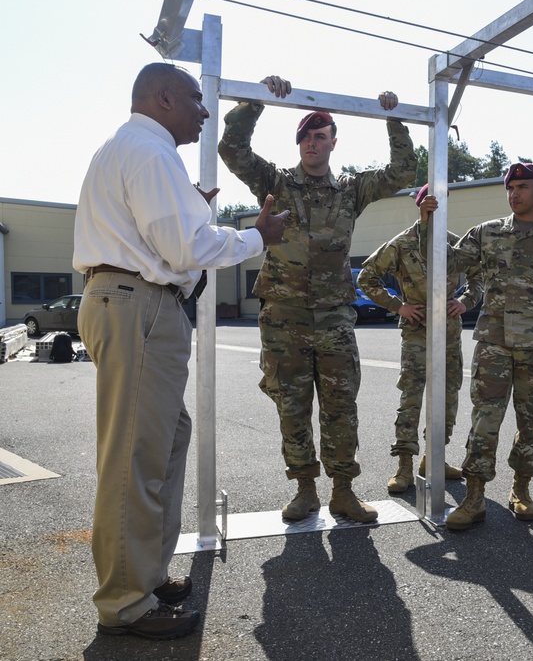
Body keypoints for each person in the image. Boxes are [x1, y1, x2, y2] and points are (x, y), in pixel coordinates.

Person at [73, 63, 286, 640]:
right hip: (137, 304)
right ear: (163, 98)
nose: (204, 110)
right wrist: (256, 236)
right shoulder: (151, 152)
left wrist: (192, 208)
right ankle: (125, 600)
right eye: (196, 99)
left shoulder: (132, 149)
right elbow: (184, 246)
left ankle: (144, 573)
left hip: (130, 300)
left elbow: (164, 236)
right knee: (136, 455)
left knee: (165, 438)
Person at [218, 75, 416, 523]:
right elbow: (232, 151)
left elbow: (403, 173)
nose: (312, 142)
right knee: (291, 403)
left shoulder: (350, 189)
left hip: (333, 317)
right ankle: (305, 489)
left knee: (341, 404)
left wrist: (394, 119)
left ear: (333, 143)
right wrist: (256, 103)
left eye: (320, 136)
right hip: (283, 316)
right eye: (305, 136)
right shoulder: (275, 181)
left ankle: (343, 491)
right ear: (298, 144)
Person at [445, 163, 533, 530]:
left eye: (522, 187)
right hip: (493, 343)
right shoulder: (486, 233)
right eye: (510, 188)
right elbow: (448, 259)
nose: (514, 194)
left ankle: (521, 489)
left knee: (532, 420)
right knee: (484, 420)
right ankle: (474, 495)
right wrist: (431, 220)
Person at [358, 185, 484, 492]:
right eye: (429, 206)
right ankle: (404, 466)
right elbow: (367, 277)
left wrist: (466, 301)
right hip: (416, 333)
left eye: (440, 205)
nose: (435, 210)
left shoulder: (455, 245)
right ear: (420, 206)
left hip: (449, 334)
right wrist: (397, 305)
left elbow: (480, 278)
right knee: (411, 397)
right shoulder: (402, 244)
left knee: (448, 397)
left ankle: (434, 458)